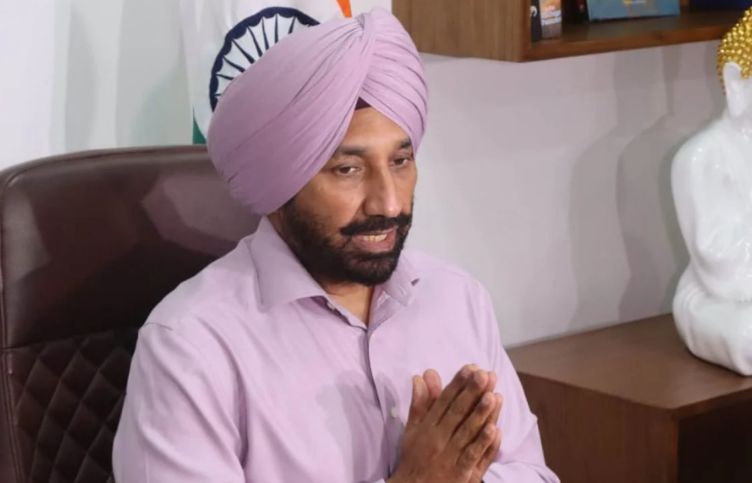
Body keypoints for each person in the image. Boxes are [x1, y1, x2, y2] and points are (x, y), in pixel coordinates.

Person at [112, 8, 559, 483]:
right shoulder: (191, 346)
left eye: (401, 161)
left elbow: (534, 475)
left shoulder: (457, 299)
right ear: (280, 183)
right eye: (348, 169)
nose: (388, 202)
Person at [672, 8, 752, 376]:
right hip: (718, 298)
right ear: (737, 82)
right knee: (747, 334)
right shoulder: (699, 157)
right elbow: (717, 262)